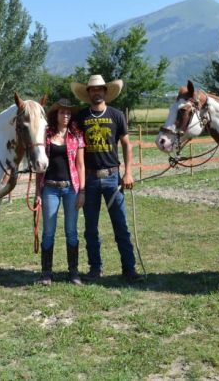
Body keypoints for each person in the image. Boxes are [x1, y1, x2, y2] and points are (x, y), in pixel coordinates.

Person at [71, 74, 144, 283]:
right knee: (91, 228)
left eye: (100, 89)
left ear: (105, 92)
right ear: (88, 93)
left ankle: (129, 269)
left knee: (121, 225)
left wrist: (128, 172)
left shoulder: (116, 115)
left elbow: (126, 145)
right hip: (90, 180)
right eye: (92, 90)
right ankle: (95, 268)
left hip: (113, 178)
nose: (96, 92)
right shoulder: (81, 118)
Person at [35, 99, 86, 285]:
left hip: (71, 188)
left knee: (71, 231)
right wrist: (37, 192)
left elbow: (80, 165)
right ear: (55, 115)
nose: (65, 116)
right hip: (50, 188)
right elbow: (40, 167)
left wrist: (82, 190)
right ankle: (46, 273)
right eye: (62, 112)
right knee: (48, 232)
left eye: (68, 113)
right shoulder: (46, 135)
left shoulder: (77, 135)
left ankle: (73, 272)